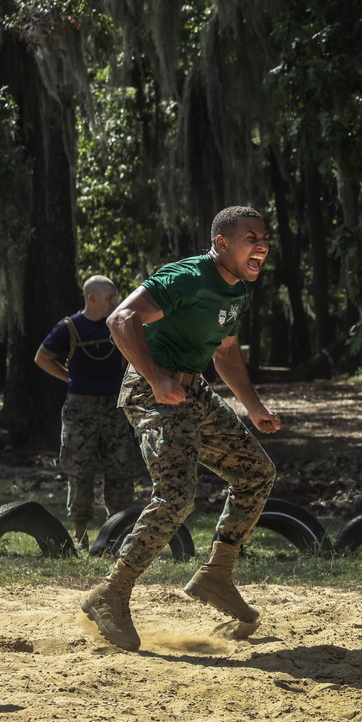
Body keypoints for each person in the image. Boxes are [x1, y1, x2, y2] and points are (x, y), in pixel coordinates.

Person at [81, 206, 281, 652]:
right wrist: (156, 378)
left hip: (192, 392)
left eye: (265, 237)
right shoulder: (187, 277)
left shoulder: (238, 292)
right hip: (151, 388)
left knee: (256, 473)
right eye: (252, 237)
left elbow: (226, 352)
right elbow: (121, 320)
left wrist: (253, 406)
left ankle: (216, 574)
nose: (262, 245)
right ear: (222, 242)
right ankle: (109, 594)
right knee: (176, 493)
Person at [34, 275, 141, 549]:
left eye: (116, 297)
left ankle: (117, 534)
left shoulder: (117, 325)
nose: (115, 302)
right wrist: (68, 378)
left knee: (120, 471)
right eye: (110, 298)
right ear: (92, 298)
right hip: (80, 409)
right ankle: (80, 535)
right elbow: (42, 357)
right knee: (80, 472)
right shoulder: (69, 327)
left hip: (114, 410)